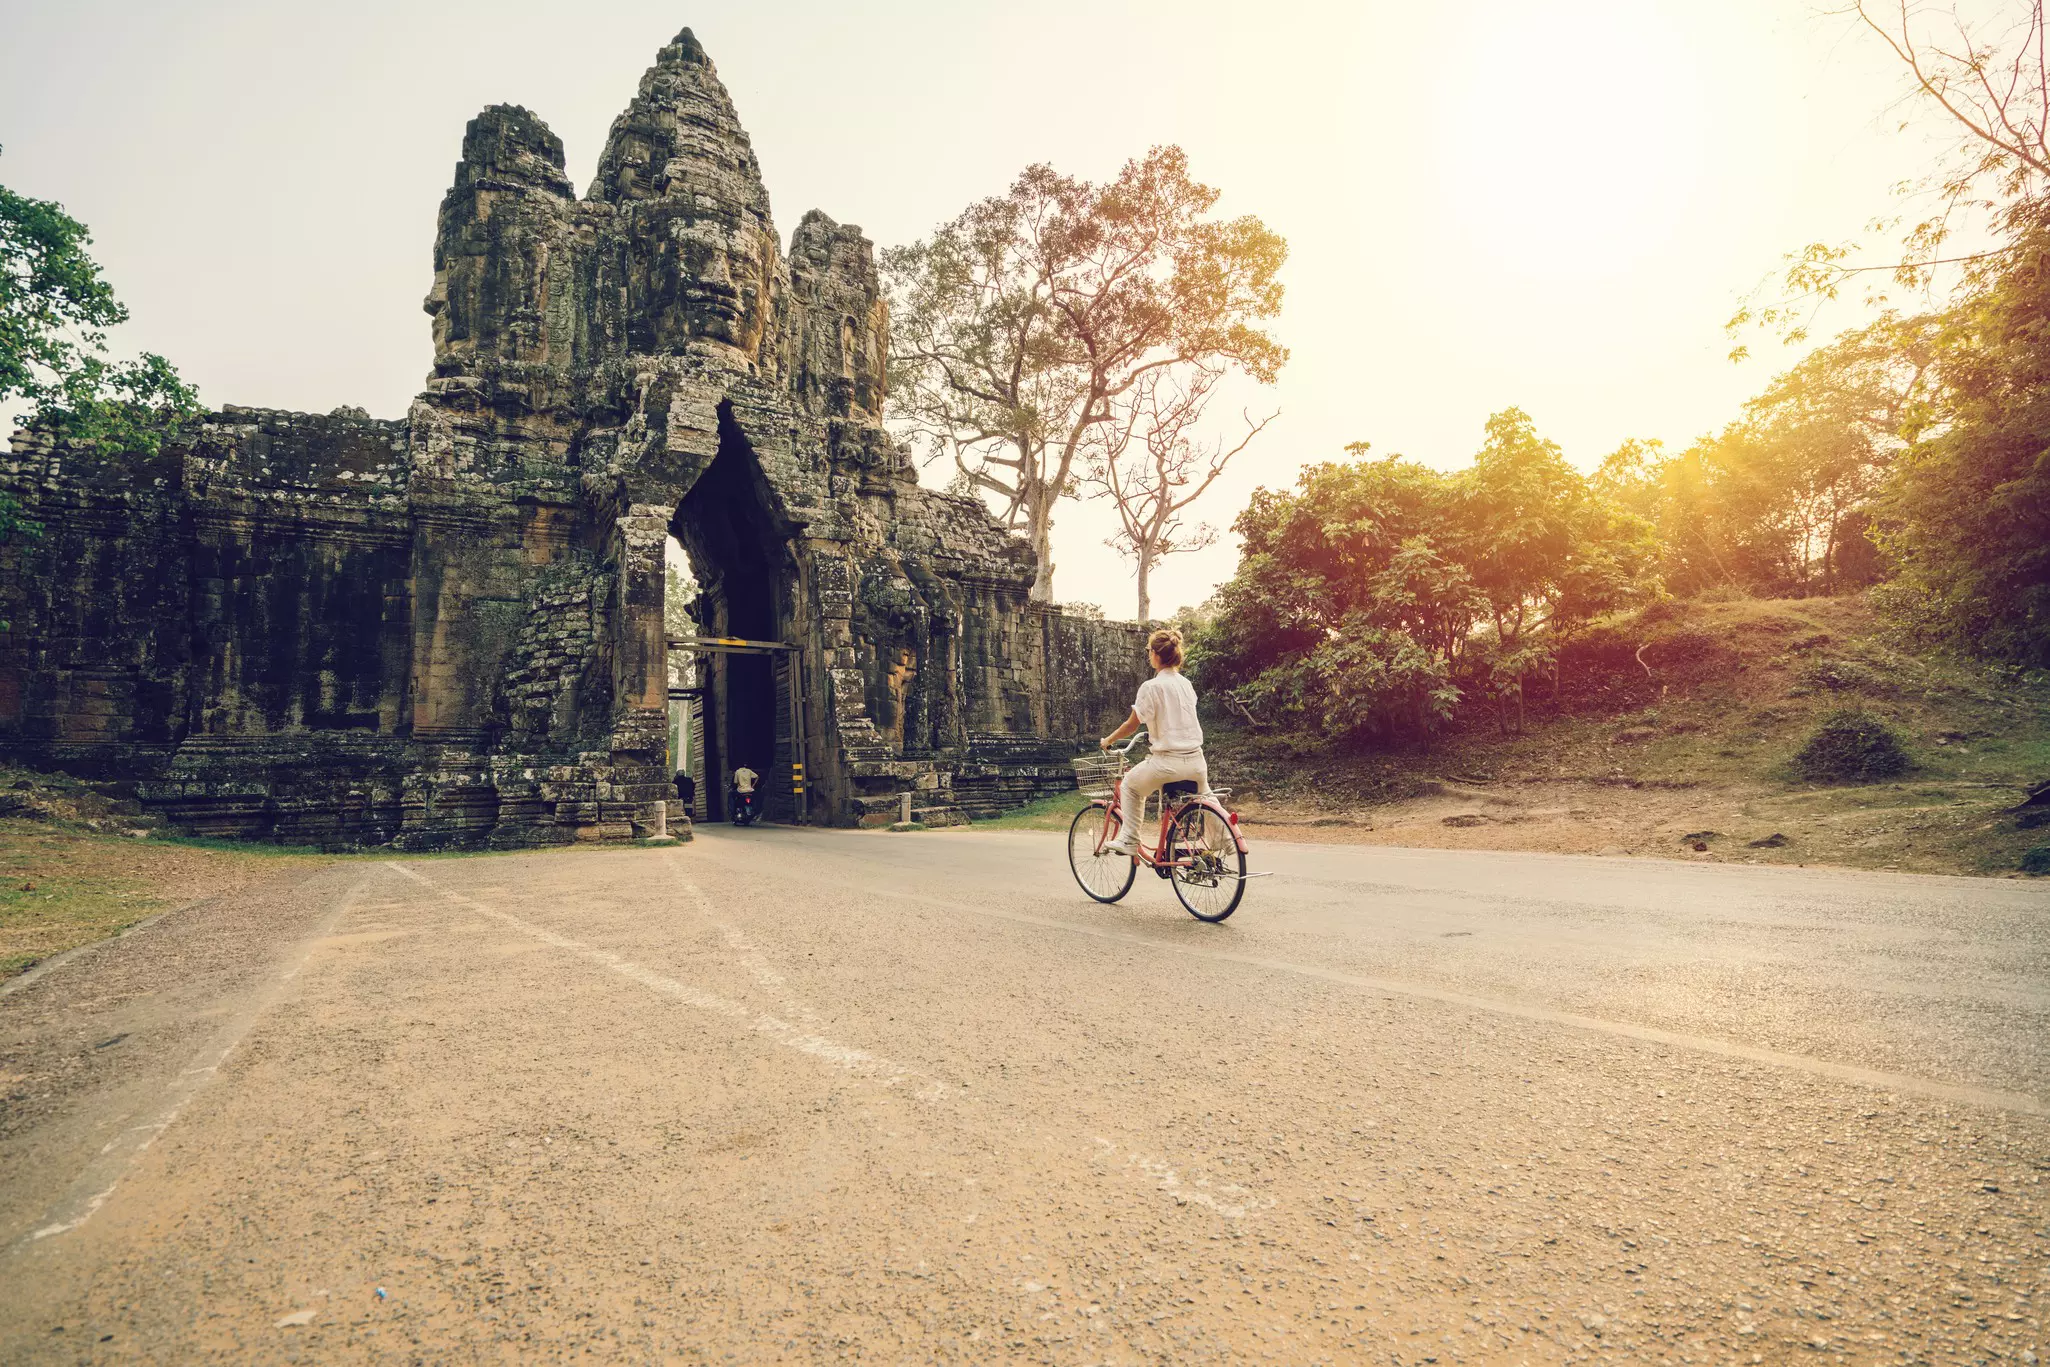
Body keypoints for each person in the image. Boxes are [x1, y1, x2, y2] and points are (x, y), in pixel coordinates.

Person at [1100, 627, 1205, 856]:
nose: (1149, 655)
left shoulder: (1152, 687)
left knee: (1129, 786)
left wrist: (1107, 740)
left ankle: (1128, 839)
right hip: (1197, 762)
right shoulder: (1185, 684)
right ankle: (1227, 842)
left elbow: (1132, 724)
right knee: (1208, 799)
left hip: (1168, 763)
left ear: (1156, 655)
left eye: (1149, 650)